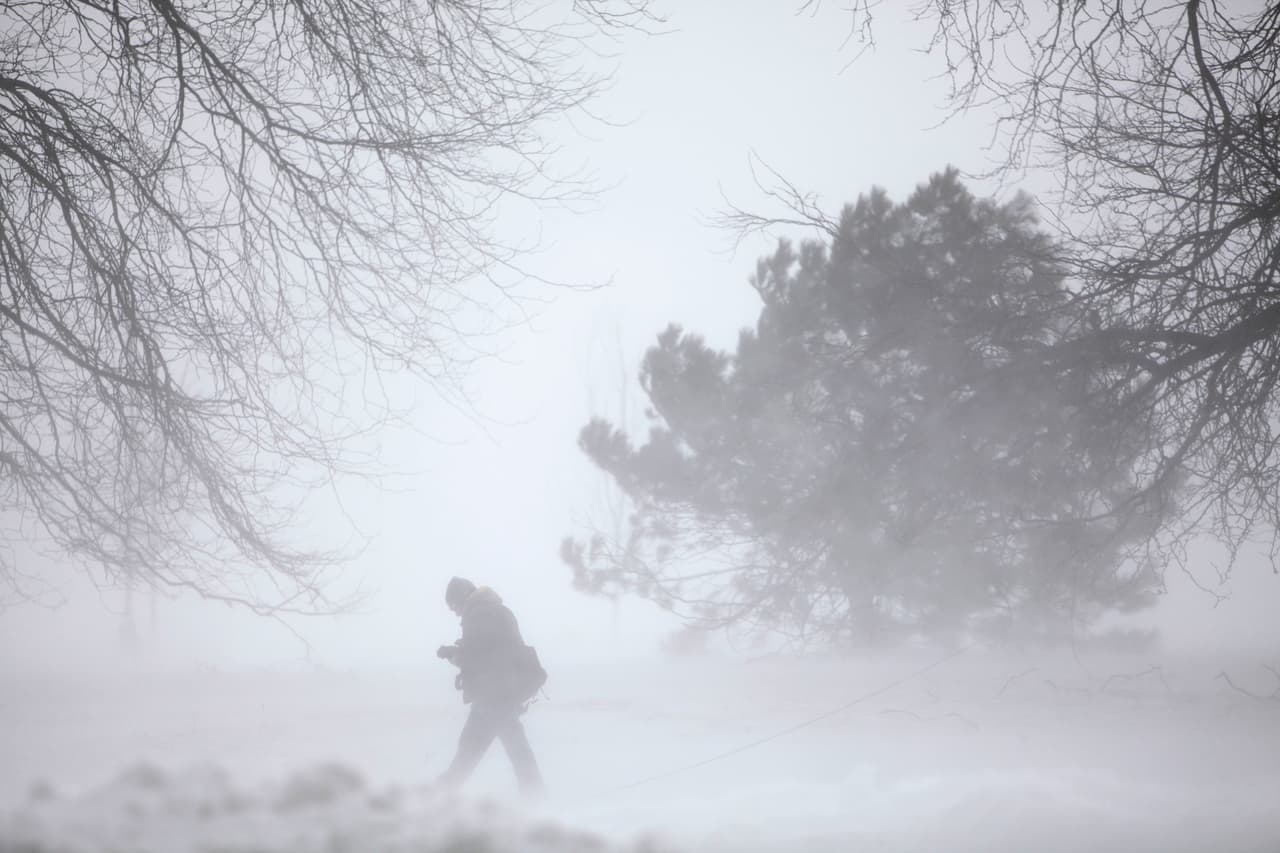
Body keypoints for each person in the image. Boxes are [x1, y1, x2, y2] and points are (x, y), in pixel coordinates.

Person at [435, 576, 545, 795]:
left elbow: (479, 657)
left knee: (480, 746)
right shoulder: (494, 610)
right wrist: (459, 650)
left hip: (494, 693)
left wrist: (454, 655)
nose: (455, 613)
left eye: (454, 606)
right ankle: (534, 793)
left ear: (462, 597)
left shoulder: (479, 614)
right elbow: (492, 647)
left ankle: (444, 792)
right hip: (503, 690)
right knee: (495, 745)